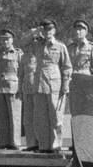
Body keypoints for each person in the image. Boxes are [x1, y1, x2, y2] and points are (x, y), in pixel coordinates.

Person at [25, 18, 71, 153]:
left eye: (50, 29)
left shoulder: (60, 46)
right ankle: (44, 146)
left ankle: (56, 146)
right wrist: (34, 32)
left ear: (54, 30)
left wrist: (66, 84)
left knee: (55, 117)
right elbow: (22, 43)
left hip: (54, 84)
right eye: (45, 29)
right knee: (40, 118)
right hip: (39, 83)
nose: (48, 32)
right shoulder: (37, 44)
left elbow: (67, 67)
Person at [0, 29, 23, 150]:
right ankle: (3, 142)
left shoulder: (18, 53)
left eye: (7, 39)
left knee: (14, 116)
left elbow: (22, 71)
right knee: (2, 117)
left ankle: (15, 142)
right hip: (0, 86)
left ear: (12, 40)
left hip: (13, 87)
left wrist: (21, 87)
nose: (5, 41)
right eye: (3, 39)